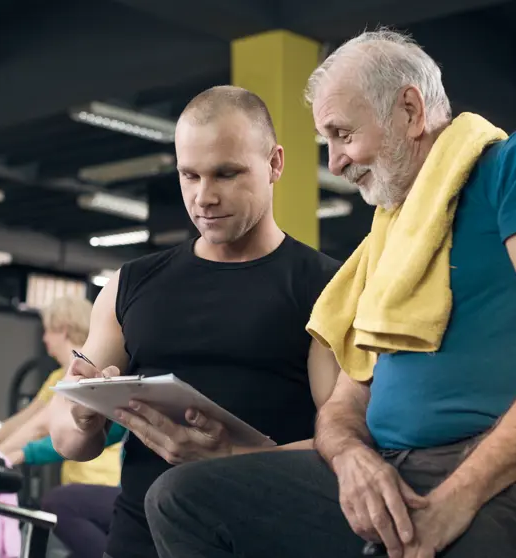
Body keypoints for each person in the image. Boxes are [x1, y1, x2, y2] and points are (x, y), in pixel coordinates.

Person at [144, 29, 516, 558]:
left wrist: (457, 498)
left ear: (411, 112)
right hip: (395, 467)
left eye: (342, 134)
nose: (335, 162)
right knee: (183, 500)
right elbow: (345, 405)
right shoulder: (392, 236)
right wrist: (352, 459)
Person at [48, 85, 343, 558]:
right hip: (138, 541)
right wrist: (83, 414)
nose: (204, 197)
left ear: (275, 164)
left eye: (227, 174)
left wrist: (232, 457)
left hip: (264, 541)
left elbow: (347, 448)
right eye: (190, 175)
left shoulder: (328, 287)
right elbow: (67, 439)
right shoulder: (130, 284)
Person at [0, 295, 122, 488]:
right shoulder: (58, 376)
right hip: (75, 481)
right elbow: (25, 420)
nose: (44, 338)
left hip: (99, 482)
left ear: (64, 330)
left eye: (47, 330)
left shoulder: (91, 369)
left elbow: (39, 427)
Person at [12, 423, 128, 558]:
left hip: (146, 498)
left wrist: (23, 453)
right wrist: (23, 453)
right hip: (130, 496)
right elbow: (85, 437)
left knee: (61, 503)